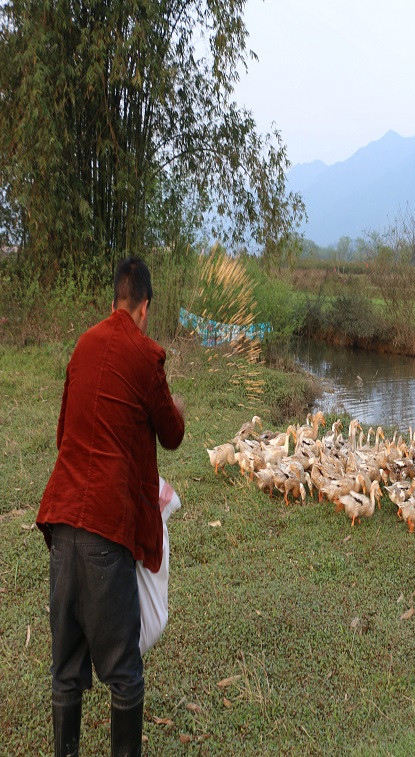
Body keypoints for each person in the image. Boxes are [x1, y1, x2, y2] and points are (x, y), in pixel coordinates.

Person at [37, 256, 185, 756]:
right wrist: (177, 409)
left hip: (61, 522)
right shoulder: (146, 357)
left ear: (113, 301)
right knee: (124, 675)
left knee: (66, 672)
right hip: (105, 529)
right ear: (144, 307)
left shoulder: (83, 345)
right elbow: (172, 435)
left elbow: (63, 435)